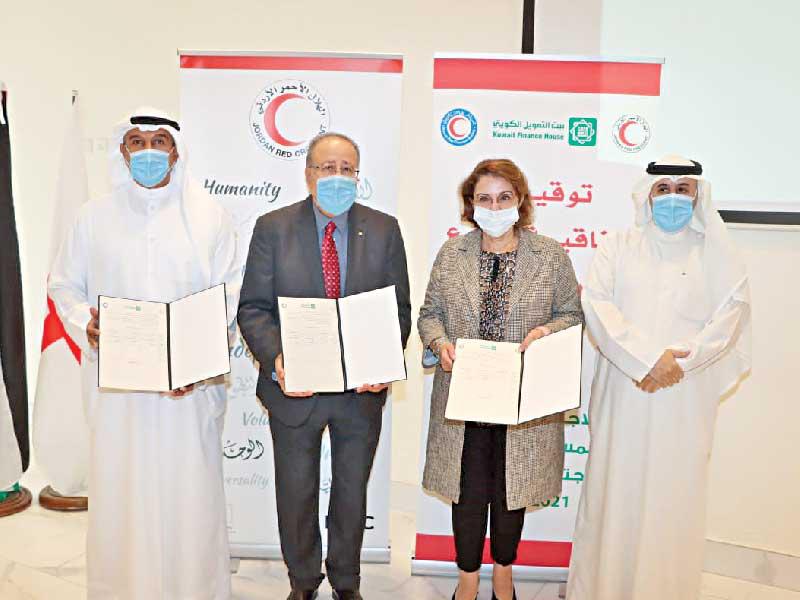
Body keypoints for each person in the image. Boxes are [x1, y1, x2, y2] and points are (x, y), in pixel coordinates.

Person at [49, 107, 240, 600]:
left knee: (190, 497)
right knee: (122, 494)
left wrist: (197, 362)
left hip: (188, 393)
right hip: (119, 394)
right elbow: (63, 285)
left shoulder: (211, 218)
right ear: (122, 150)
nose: (149, 151)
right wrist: (85, 323)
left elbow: (229, 297)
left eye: (159, 141)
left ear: (176, 151)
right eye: (137, 142)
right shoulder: (92, 218)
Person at [566, 155, 752, 600]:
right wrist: (648, 360)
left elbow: (731, 315)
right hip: (625, 390)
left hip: (685, 396)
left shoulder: (717, 253)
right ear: (646, 195)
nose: (673, 198)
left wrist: (679, 365)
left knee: (674, 498)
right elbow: (597, 305)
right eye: (663, 189)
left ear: (698, 195)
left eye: (683, 189)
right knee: (616, 493)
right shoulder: (618, 245)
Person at [237, 132, 411, 600]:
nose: (337, 177)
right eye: (327, 168)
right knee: (296, 491)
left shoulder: (384, 229)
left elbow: (398, 310)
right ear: (308, 173)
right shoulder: (273, 227)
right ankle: (303, 580)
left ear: (358, 174)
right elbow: (253, 307)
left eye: (347, 169)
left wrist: (383, 362)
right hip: (295, 389)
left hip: (360, 391)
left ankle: (346, 582)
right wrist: (278, 359)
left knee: (352, 493)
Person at [418, 158, 583, 600]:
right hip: (463, 396)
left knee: (513, 491)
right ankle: (468, 578)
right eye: (484, 199)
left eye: (504, 197)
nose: (494, 208)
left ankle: (504, 574)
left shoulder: (550, 256)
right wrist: (439, 343)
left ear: (520, 200)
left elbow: (572, 315)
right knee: (467, 493)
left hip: (524, 399)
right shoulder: (451, 255)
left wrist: (545, 333)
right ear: (470, 205)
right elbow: (429, 315)